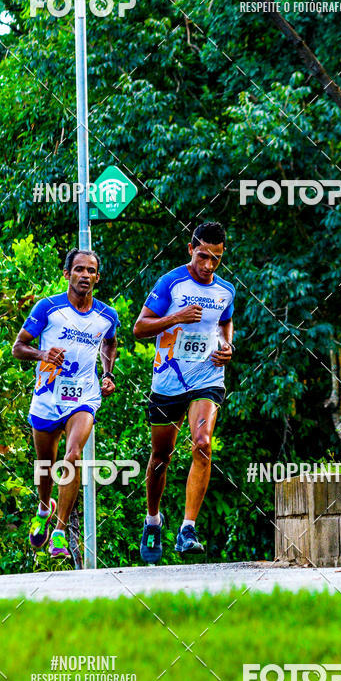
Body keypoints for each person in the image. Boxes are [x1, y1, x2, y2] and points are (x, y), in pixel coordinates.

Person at [133, 221, 235, 563]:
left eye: (215, 259)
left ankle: (187, 528)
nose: (208, 266)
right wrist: (175, 317)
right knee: (161, 457)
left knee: (203, 444)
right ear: (191, 249)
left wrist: (227, 344)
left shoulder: (226, 291)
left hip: (207, 377)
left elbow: (225, 320)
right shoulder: (170, 283)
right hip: (168, 380)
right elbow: (139, 327)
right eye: (203, 256)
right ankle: (153, 520)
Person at [12, 248, 118, 560]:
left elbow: (109, 342)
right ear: (67, 274)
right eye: (79, 269)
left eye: (91, 271)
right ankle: (44, 508)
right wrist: (42, 354)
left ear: (97, 278)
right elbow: (19, 347)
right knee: (46, 466)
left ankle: (59, 531)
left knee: (72, 455)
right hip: (47, 396)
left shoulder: (107, 316)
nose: (85, 275)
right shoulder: (48, 308)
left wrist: (108, 373)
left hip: (84, 396)